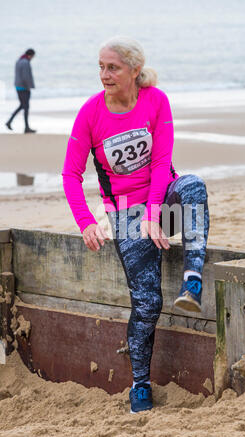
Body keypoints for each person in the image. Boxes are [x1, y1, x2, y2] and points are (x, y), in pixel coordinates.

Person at [62, 37, 209, 414]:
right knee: (148, 303)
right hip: (125, 215)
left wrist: (154, 213)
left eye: (112, 67)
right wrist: (86, 222)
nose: (104, 75)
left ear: (134, 71)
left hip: (163, 206)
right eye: (100, 67)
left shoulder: (155, 101)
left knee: (192, 185)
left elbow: (162, 163)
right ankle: (139, 386)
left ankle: (193, 279)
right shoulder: (90, 113)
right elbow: (70, 174)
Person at [6, 48, 36, 133]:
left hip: (18, 87)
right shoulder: (25, 62)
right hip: (24, 88)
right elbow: (26, 76)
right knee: (25, 107)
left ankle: (9, 122)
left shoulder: (19, 60)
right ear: (30, 55)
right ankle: (26, 127)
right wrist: (29, 87)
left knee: (23, 106)